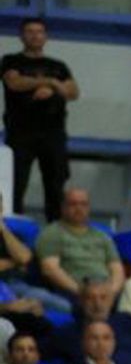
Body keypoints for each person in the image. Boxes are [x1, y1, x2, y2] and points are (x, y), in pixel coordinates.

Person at [2, 18, 77, 222]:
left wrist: (51, 89)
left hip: (53, 134)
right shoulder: (11, 61)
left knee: (55, 186)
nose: (35, 35)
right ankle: (12, 228)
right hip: (21, 133)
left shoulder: (58, 66)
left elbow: (72, 92)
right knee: (16, 184)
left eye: (39, 31)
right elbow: (14, 83)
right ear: (21, 36)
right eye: (30, 31)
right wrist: (51, 82)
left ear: (46, 36)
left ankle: (55, 228)